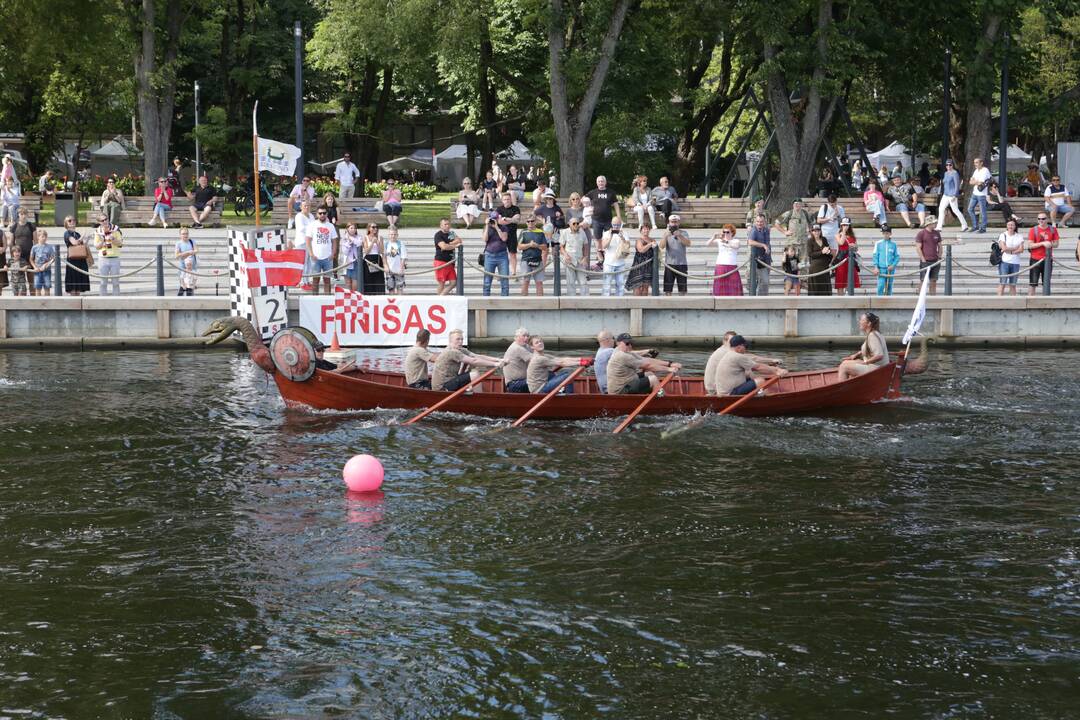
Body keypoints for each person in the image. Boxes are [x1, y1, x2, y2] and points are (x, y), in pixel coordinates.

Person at [605, 333, 681, 394]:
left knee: (649, 374)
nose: (630, 346)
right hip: (619, 391)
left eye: (631, 343)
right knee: (653, 379)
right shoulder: (622, 356)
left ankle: (654, 393)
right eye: (627, 343)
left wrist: (669, 364)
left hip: (627, 381)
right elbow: (648, 365)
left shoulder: (619, 351)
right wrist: (668, 369)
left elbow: (647, 360)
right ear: (618, 343)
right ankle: (662, 397)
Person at [430, 329, 501, 392]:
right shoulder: (452, 352)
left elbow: (477, 356)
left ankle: (473, 393)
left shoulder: (460, 349)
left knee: (472, 371)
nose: (460, 342)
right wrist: (494, 364)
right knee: (474, 374)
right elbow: (474, 361)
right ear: (450, 341)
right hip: (441, 388)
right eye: (457, 339)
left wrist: (498, 360)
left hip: (451, 381)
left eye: (462, 339)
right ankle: (479, 401)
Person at [713, 334, 787, 395]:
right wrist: (777, 371)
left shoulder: (729, 354)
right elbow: (759, 367)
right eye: (745, 346)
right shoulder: (737, 356)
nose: (746, 349)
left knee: (751, 376)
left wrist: (772, 369)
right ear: (739, 347)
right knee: (760, 381)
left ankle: (760, 395)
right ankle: (768, 401)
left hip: (725, 390)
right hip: (729, 393)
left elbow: (757, 367)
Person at [837, 313, 888, 381]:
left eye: (861, 320)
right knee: (845, 362)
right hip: (879, 367)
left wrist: (865, 362)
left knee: (843, 367)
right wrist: (856, 355)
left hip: (877, 369)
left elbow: (879, 355)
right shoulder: (875, 333)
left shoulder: (872, 336)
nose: (859, 322)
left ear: (869, 323)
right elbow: (870, 349)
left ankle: (842, 390)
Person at [305, 208, 339, 295]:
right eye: (320, 213)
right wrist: (311, 254)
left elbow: (335, 240)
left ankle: (327, 300)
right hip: (315, 258)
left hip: (328, 258)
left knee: (327, 281)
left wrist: (333, 253)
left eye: (324, 213)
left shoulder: (330, 226)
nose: (322, 215)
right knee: (315, 281)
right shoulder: (312, 225)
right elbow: (308, 240)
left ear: (327, 214)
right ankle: (314, 299)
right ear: (317, 214)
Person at [1027, 213, 1059, 296]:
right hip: (1035, 259)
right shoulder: (1033, 230)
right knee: (1032, 283)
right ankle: (1031, 304)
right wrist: (1042, 243)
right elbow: (1030, 245)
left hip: (1048, 259)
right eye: (1039, 219)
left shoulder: (1053, 229)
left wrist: (1049, 243)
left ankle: (1046, 303)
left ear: (1047, 219)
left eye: (1043, 218)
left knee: (1046, 283)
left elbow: (1056, 244)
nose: (1041, 220)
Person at [707, 224, 743, 296]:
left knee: (734, 286)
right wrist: (713, 237)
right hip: (720, 265)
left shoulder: (736, 240)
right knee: (720, 285)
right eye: (724, 232)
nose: (725, 234)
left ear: (732, 233)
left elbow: (736, 246)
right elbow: (708, 244)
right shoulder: (719, 240)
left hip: (732, 266)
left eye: (727, 232)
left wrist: (726, 242)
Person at [600, 218, 632, 296]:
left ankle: (620, 304)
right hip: (608, 263)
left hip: (620, 263)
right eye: (614, 224)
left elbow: (628, 246)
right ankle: (606, 304)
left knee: (620, 285)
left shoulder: (624, 233)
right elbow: (604, 246)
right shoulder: (606, 233)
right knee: (606, 285)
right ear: (611, 224)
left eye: (618, 225)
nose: (616, 227)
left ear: (621, 224)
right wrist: (610, 236)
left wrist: (622, 238)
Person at [481, 211, 510, 296]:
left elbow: (504, 238)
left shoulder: (503, 227)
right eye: (493, 219)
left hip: (502, 256)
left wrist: (497, 227)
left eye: (496, 218)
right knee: (487, 281)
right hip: (489, 256)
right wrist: (487, 225)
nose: (494, 220)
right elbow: (485, 239)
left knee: (504, 281)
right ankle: (485, 301)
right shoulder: (486, 227)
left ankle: (505, 302)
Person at [518, 215, 548, 296]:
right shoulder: (523, 232)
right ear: (526, 223)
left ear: (535, 222)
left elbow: (545, 247)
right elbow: (519, 247)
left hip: (538, 260)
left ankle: (540, 305)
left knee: (539, 283)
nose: (530, 223)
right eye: (528, 221)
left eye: (532, 221)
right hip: (525, 260)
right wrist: (530, 245)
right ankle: (524, 304)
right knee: (525, 282)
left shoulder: (541, 232)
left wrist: (537, 246)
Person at [661, 215, 691, 295]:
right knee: (668, 289)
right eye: (672, 222)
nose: (674, 224)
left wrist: (679, 235)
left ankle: (682, 306)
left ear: (679, 223)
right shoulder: (666, 233)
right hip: (669, 264)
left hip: (682, 263)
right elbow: (661, 246)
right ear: (669, 223)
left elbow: (688, 244)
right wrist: (665, 236)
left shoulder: (684, 233)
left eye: (676, 222)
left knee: (682, 289)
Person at [559, 216, 589, 296]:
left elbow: (586, 245)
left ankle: (585, 301)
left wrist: (585, 258)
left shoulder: (582, 232)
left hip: (580, 260)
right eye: (574, 223)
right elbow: (561, 247)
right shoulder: (564, 232)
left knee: (583, 282)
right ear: (569, 224)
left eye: (577, 223)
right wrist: (565, 255)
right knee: (570, 282)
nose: (576, 225)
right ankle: (571, 301)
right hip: (569, 260)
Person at [94, 216, 123, 295]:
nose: (105, 221)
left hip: (115, 258)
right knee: (103, 282)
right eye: (102, 220)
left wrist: (113, 239)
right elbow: (96, 246)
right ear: (99, 222)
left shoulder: (116, 229)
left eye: (106, 219)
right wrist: (102, 240)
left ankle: (116, 302)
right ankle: (102, 302)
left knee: (115, 282)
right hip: (103, 258)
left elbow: (120, 244)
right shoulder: (98, 231)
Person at [585, 175, 621, 241]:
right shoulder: (593, 192)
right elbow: (584, 199)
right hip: (596, 220)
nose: (600, 183)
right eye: (599, 181)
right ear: (596, 183)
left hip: (608, 220)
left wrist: (619, 216)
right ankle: (599, 251)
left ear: (605, 182)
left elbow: (616, 204)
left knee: (608, 237)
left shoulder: (611, 192)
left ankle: (606, 251)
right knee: (597, 239)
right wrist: (588, 206)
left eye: (602, 181)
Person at [494, 192, 521, 277]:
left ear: (511, 200)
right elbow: (498, 221)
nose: (507, 201)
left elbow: (517, 219)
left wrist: (505, 219)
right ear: (502, 200)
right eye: (505, 199)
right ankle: (501, 273)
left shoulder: (515, 208)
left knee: (512, 254)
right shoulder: (499, 209)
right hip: (501, 235)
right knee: (500, 254)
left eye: (508, 199)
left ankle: (514, 272)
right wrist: (511, 219)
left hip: (512, 234)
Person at [936, 159, 968, 231]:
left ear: (952, 165)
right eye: (947, 165)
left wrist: (955, 195)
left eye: (950, 165)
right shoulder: (946, 173)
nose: (948, 166)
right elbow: (944, 182)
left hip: (952, 194)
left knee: (955, 210)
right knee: (941, 209)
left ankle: (964, 225)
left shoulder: (955, 173)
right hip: (946, 194)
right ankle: (939, 226)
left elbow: (957, 185)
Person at [62, 215, 90, 295]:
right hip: (72, 261)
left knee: (78, 286)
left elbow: (82, 245)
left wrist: (87, 238)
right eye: (69, 221)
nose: (72, 222)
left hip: (80, 260)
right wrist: (83, 235)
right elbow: (74, 243)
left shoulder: (76, 233)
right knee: (73, 285)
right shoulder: (67, 233)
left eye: (73, 220)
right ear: (66, 224)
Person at [625, 225, 657, 296]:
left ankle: (644, 304)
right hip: (639, 265)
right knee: (637, 286)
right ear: (641, 231)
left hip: (648, 266)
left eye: (647, 229)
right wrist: (650, 244)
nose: (646, 230)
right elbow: (641, 250)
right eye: (644, 229)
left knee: (646, 286)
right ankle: (636, 305)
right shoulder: (639, 240)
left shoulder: (652, 239)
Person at [996, 218, 1024, 296]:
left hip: (1015, 262)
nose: (1010, 226)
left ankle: (1013, 302)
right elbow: (1003, 248)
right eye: (1009, 225)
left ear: (1015, 226)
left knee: (1013, 284)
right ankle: (999, 301)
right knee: (1002, 283)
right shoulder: (1003, 235)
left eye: (1012, 225)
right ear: (1007, 226)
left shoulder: (1019, 236)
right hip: (1005, 262)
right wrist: (1015, 248)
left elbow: (1021, 249)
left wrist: (1009, 250)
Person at [914, 218, 943, 295]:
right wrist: (923, 259)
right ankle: (919, 297)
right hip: (925, 261)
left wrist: (939, 257)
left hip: (935, 261)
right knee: (923, 280)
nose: (936, 224)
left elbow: (940, 246)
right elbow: (918, 248)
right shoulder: (921, 233)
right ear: (929, 224)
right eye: (934, 223)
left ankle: (933, 299)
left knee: (933, 281)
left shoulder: (937, 233)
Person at [433, 218, 461, 295]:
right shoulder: (438, 235)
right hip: (441, 261)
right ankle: (439, 301)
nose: (447, 226)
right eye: (445, 224)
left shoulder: (451, 233)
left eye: (448, 224)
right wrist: (454, 245)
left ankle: (441, 296)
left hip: (450, 262)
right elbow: (443, 247)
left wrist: (449, 244)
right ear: (441, 226)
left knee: (453, 282)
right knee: (442, 282)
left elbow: (459, 240)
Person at [746, 213, 772, 295]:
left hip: (765, 259)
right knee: (753, 281)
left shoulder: (766, 229)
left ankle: (762, 299)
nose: (759, 223)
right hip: (755, 260)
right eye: (757, 221)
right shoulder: (754, 230)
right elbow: (750, 242)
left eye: (761, 222)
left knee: (765, 282)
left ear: (764, 222)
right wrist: (763, 245)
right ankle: (753, 299)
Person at [501, 327, 533, 392]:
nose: (526, 338)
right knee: (548, 375)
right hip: (514, 385)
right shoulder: (517, 348)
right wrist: (555, 361)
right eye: (523, 336)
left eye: (527, 336)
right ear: (516, 337)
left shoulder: (525, 346)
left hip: (522, 381)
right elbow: (537, 360)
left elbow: (538, 357)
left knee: (545, 374)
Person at [833, 218, 861, 293]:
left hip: (850, 259)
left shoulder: (852, 236)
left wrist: (854, 246)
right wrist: (844, 232)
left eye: (847, 225)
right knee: (840, 282)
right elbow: (841, 243)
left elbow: (856, 248)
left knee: (851, 280)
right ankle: (840, 301)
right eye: (843, 225)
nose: (845, 226)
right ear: (841, 225)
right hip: (841, 260)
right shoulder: (837, 235)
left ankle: (850, 298)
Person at [805, 223, 833, 296]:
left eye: (818, 230)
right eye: (814, 231)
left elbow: (828, 251)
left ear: (820, 231)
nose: (816, 232)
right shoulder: (810, 241)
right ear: (812, 232)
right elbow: (810, 254)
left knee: (824, 287)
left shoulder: (824, 239)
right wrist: (822, 252)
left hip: (825, 267)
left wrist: (828, 251)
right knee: (816, 288)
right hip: (815, 268)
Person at [871, 226, 899, 296]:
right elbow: (875, 256)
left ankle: (888, 302)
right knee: (881, 285)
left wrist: (893, 265)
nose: (885, 235)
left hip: (890, 269)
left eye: (887, 233)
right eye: (884, 233)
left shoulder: (894, 244)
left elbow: (897, 256)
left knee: (889, 286)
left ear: (890, 234)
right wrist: (876, 267)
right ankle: (879, 301)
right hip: (881, 269)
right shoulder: (878, 243)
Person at [966, 157, 992, 233]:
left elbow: (981, 182)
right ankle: (975, 226)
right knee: (970, 209)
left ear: (981, 163)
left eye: (977, 162)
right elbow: (970, 182)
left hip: (982, 194)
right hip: (975, 193)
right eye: (974, 163)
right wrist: (976, 182)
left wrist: (975, 181)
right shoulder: (976, 171)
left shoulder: (985, 170)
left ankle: (983, 228)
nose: (975, 164)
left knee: (982, 211)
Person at [361, 222, 385, 295]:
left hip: (377, 258)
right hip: (368, 259)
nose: (375, 229)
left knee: (379, 279)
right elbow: (366, 251)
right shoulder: (365, 237)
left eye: (376, 227)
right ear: (369, 228)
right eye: (373, 227)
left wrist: (377, 242)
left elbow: (381, 251)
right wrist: (372, 243)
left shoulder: (380, 237)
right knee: (368, 279)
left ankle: (379, 295)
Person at [29, 229, 55, 296]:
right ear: (38, 237)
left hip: (47, 270)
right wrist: (35, 267)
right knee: (38, 288)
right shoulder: (34, 247)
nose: (44, 238)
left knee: (47, 287)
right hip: (37, 271)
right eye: (42, 237)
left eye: (45, 237)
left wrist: (46, 265)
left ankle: (47, 303)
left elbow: (53, 258)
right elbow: (31, 259)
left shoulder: (49, 247)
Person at [174, 227, 198, 297]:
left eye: (186, 233)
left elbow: (196, 250)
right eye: (183, 234)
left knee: (190, 287)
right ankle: (178, 303)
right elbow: (176, 256)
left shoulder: (192, 241)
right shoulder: (178, 243)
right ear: (180, 235)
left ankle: (190, 303)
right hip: (183, 269)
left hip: (192, 268)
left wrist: (190, 253)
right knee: (183, 286)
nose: (185, 235)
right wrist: (188, 253)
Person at [339, 222, 362, 292]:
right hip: (347, 263)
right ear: (347, 229)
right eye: (351, 228)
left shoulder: (359, 237)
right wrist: (348, 243)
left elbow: (359, 244)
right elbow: (345, 252)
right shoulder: (343, 239)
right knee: (348, 284)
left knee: (355, 284)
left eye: (355, 228)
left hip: (356, 262)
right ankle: (349, 299)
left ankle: (355, 298)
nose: (353, 229)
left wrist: (351, 239)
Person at [384, 226, 407, 295]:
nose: (393, 236)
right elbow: (384, 257)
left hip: (398, 270)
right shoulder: (386, 244)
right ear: (388, 235)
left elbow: (403, 257)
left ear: (397, 235)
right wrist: (386, 266)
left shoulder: (400, 244)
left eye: (394, 234)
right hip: (390, 271)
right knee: (391, 289)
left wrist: (401, 268)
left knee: (400, 289)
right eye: (391, 234)